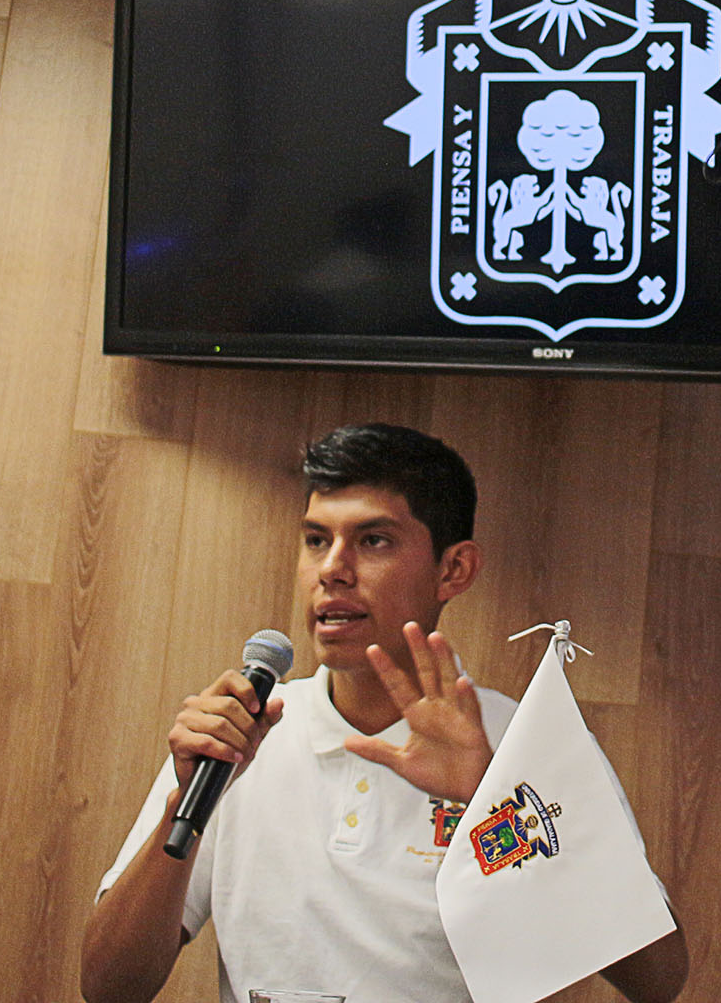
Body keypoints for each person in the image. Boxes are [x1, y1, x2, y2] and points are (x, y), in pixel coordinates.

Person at [81, 422, 688, 1003]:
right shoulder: (241, 735)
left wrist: (497, 802)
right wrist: (180, 809)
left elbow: (658, 978)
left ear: (453, 570)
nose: (331, 570)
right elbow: (109, 987)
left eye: (373, 541)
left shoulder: (517, 742)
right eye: (316, 540)